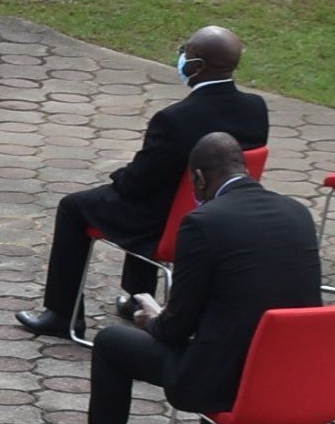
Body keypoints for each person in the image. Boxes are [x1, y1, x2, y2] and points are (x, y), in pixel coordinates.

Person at [38, 135, 320, 424]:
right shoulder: (298, 213)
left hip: (222, 383)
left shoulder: (204, 222)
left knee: (110, 344)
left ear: (198, 179)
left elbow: (176, 328)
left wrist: (150, 318)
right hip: (291, 382)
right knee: (229, 331)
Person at [14, 26, 270, 339]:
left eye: (185, 54)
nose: (181, 59)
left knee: (76, 207)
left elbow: (138, 184)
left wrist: (118, 176)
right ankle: (137, 300)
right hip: (223, 216)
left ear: (198, 67)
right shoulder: (256, 108)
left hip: (168, 225)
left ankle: (62, 314)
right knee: (150, 199)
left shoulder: (175, 119)